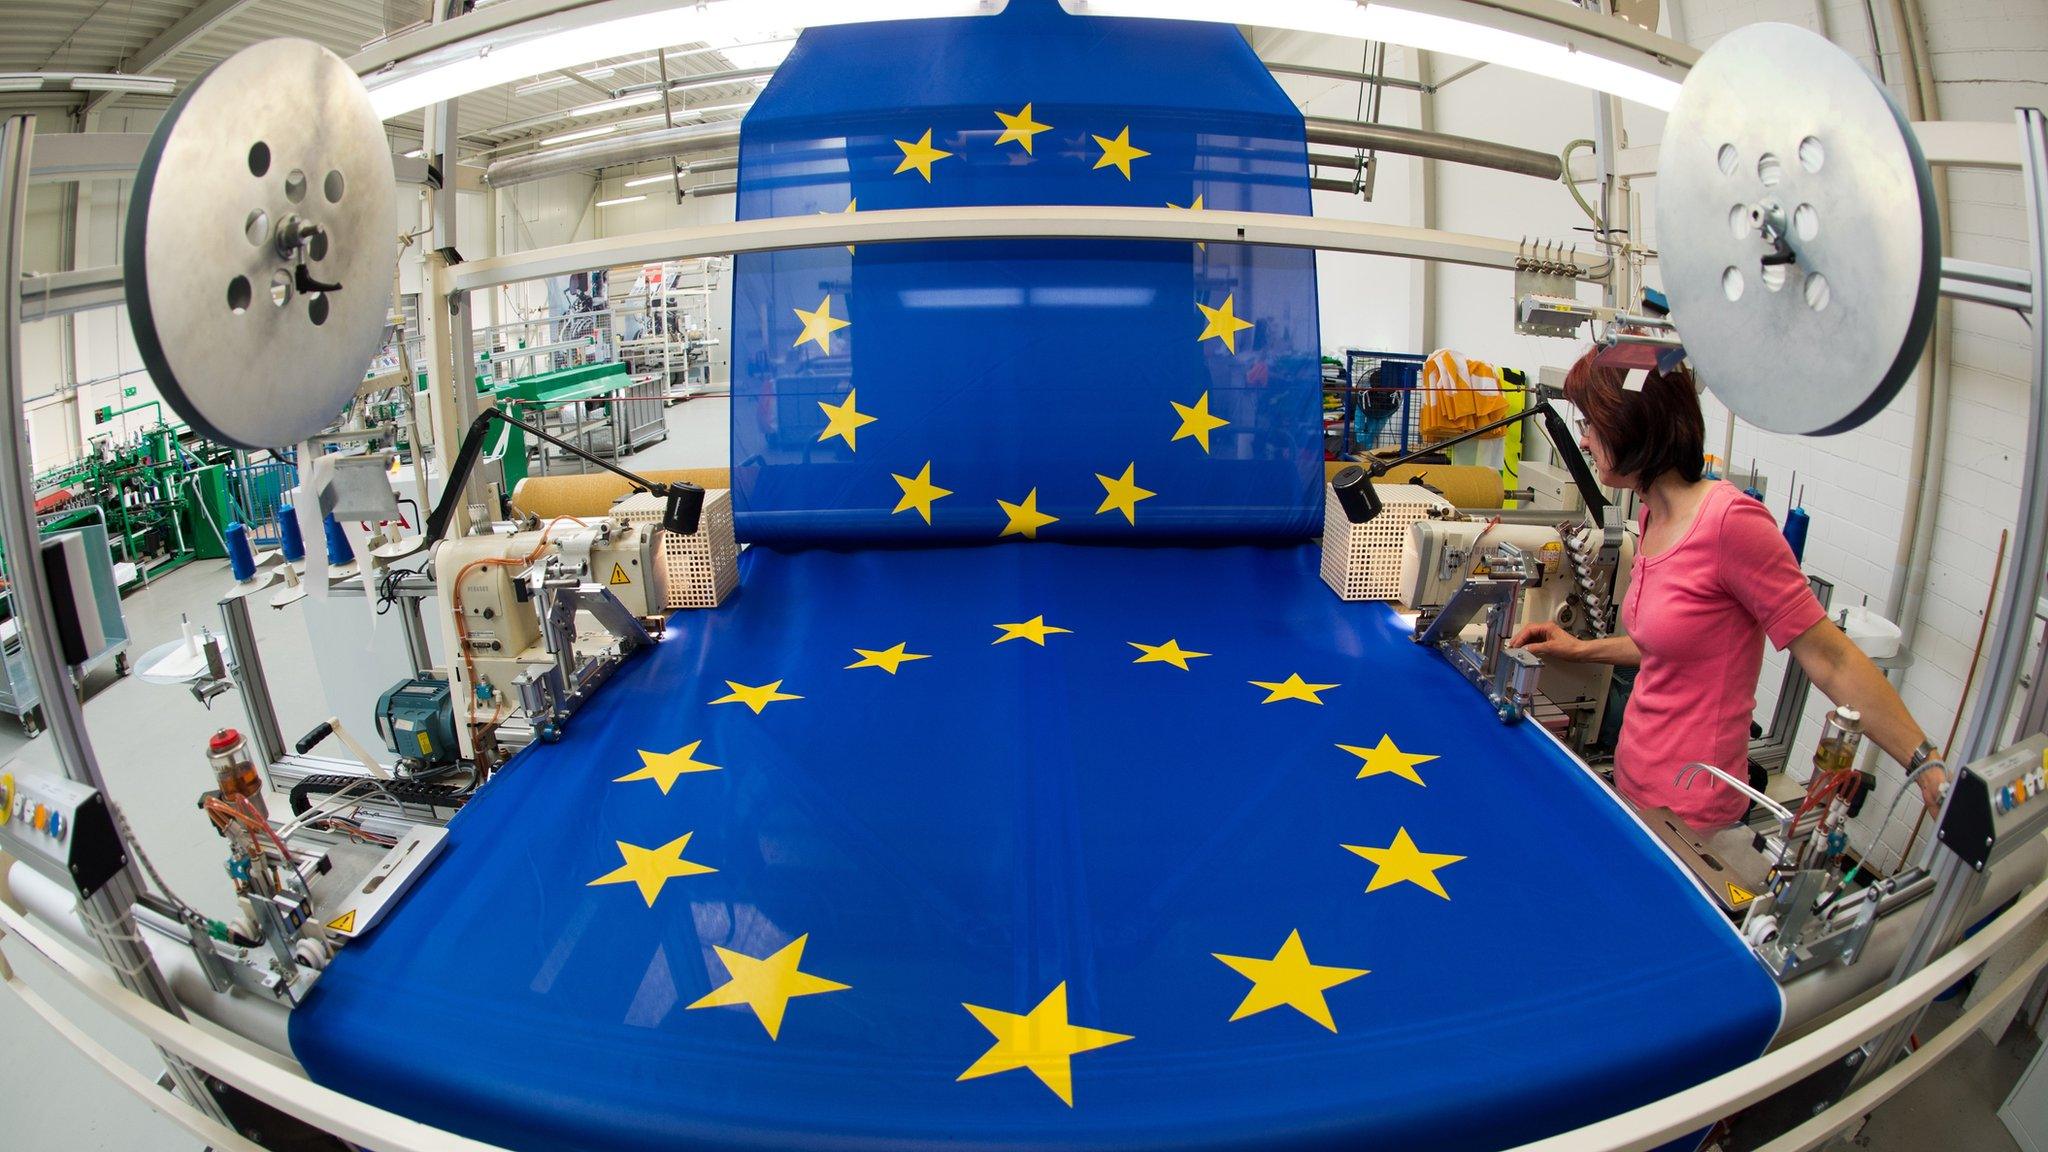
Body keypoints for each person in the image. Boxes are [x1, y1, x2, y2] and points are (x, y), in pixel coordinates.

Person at [1509, 350, 1948, 830]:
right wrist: (1580, 649)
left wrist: (1922, 758)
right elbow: (1667, 644)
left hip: (1694, 808)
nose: (1586, 440)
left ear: (1631, 424)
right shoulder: (1652, 514)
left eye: (1592, 423)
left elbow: (1832, 658)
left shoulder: (1730, 523)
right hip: (1636, 780)